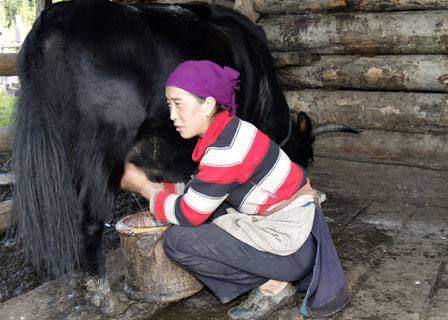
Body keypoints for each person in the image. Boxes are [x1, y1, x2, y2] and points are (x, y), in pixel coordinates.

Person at [120, 60, 350, 319]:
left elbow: (188, 213)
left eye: (179, 104)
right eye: (169, 104)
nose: (172, 115)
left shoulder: (225, 151)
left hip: (294, 251)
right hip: (301, 236)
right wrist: (159, 188)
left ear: (207, 105)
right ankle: (273, 277)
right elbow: (198, 190)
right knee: (214, 209)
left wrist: (145, 188)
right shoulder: (229, 130)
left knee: (178, 241)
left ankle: (272, 286)